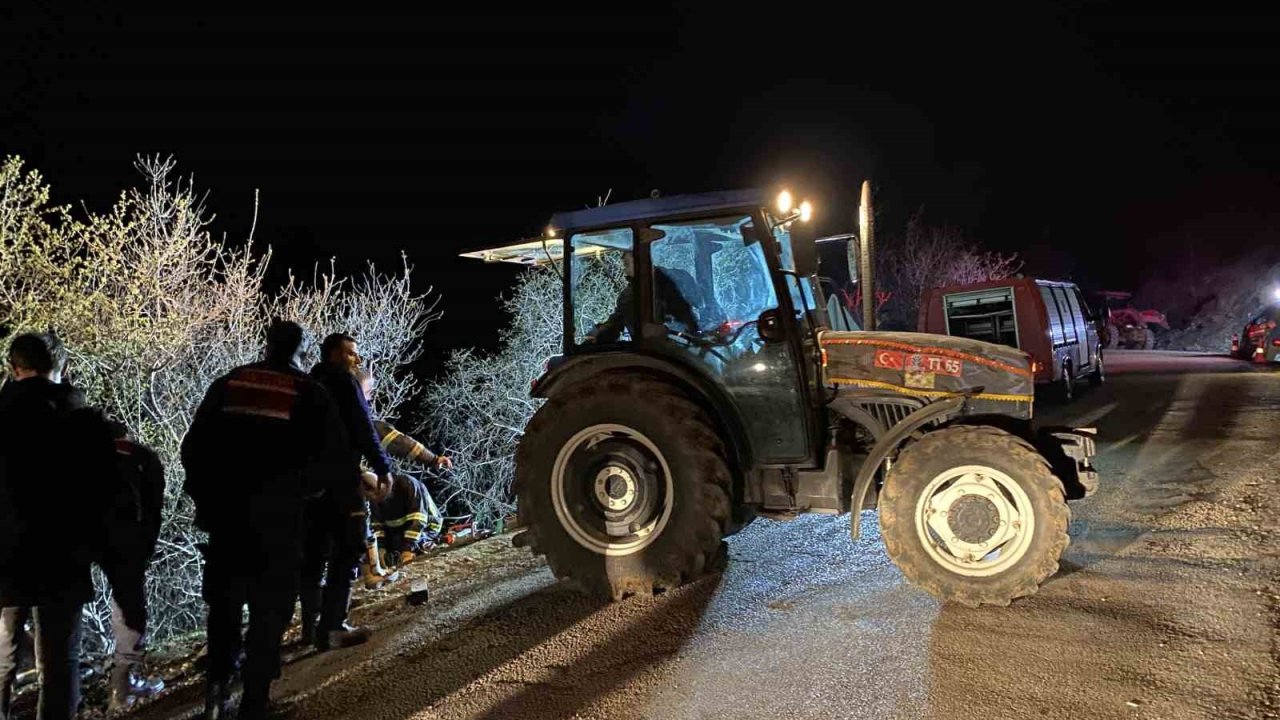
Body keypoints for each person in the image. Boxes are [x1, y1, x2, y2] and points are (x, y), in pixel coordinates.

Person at [182, 321, 347, 720]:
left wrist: (207, 498)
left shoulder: (230, 383)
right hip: (279, 520)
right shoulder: (310, 393)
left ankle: (216, 697)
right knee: (269, 608)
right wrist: (302, 493)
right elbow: (331, 460)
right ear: (300, 349)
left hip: (227, 519)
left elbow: (193, 448)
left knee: (223, 606)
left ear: (267, 344)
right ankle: (255, 701)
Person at [0, 333, 116, 720]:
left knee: (3, 656)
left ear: (14, 369)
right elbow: (105, 491)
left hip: (4, 552)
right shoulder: (84, 420)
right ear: (61, 368)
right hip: (63, 554)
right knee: (59, 664)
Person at [300, 334, 392, 651]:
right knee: (348, 549)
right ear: (335, 355)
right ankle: (334, 627)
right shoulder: (343, 381)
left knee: (314, 555)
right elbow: (362, 426)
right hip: (340, 481)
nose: (357, 360)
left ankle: (311, 630)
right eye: (352, 354)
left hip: (309, 486)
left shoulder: (307, 383)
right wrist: (382, 468)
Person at [353, 370, 450, 577]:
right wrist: (432, 459)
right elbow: (399, 442)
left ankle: (365, 571)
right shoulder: (364, 425)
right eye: (368, 393)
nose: (369, 398)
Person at [101, 420, 167, 712]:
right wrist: (146, 544)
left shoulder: (79, 453)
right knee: (128, 605)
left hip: (76, 537)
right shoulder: (142, 457)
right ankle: (124, 684)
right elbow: (154, 506)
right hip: (128, 537)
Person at [585, 253, 698, 343]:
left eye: (627, 264)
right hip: (647, 350)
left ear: (641, 261)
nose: (625, 270)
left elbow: (692, 314)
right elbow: (617, 321)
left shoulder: (675, 281)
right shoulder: (628, 295)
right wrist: (598, 335)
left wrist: (666, 328)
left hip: (677, 347)